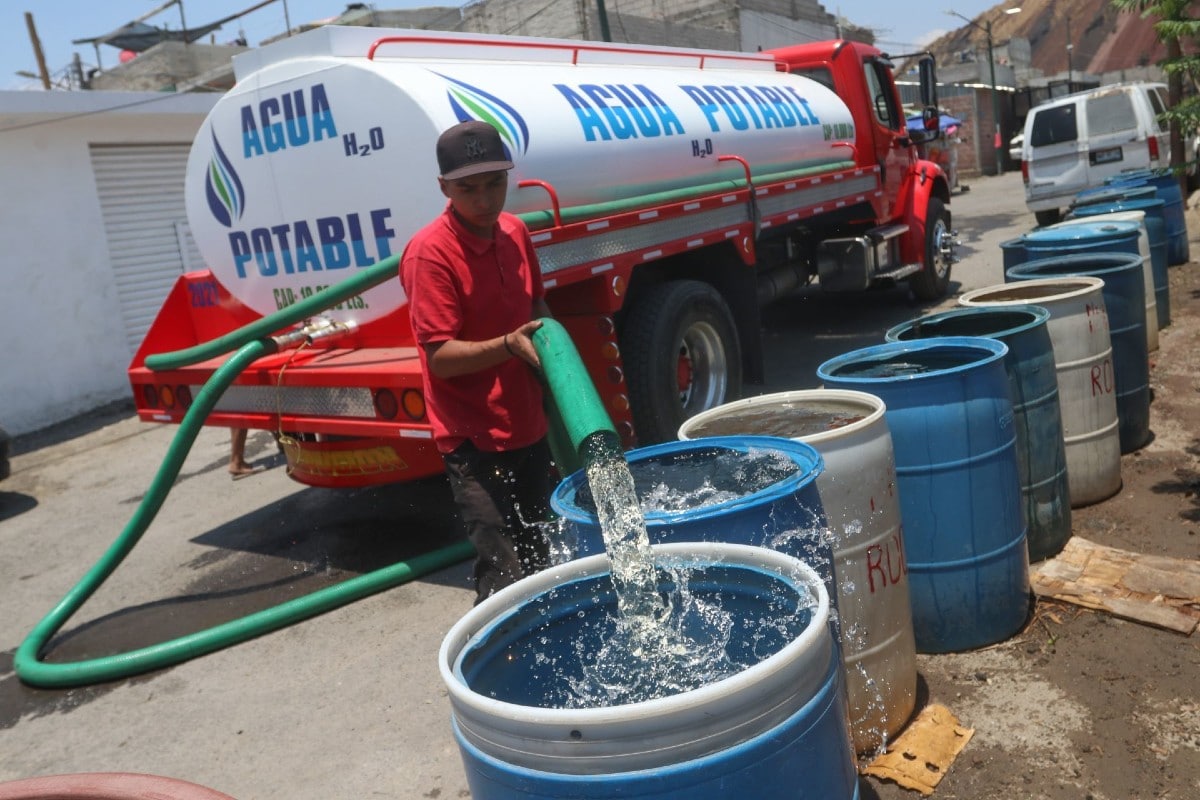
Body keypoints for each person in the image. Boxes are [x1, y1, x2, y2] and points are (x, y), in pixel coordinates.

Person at [400, 120, 557, 604]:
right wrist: (509, 345)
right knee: (503, 569)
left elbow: (538, 309)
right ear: (443, 187)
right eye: (469, 189)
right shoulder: (430, 254)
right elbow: (441, 359)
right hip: (473, 437)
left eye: (496, 184)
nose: (486, 201)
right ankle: (498, 671)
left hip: (527, 421)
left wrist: (562, 381)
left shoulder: (514, 231)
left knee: (545, 551)